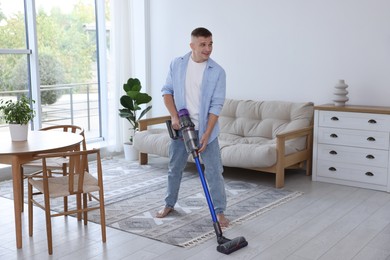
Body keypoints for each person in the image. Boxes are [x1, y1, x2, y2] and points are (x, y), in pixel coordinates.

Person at [156, 27, 229, 227]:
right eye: (203, 44)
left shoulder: (218, 72)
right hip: (182, 128)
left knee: (214, 171)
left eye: (210, 44)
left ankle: (220, 212)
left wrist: (206, 133)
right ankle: (169, 203)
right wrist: (173, 116)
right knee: (174, 168)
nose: (208, 49)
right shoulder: (177, 64)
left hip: (206, 129)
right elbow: (167, 91)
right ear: (192, 45)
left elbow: (216, 105)